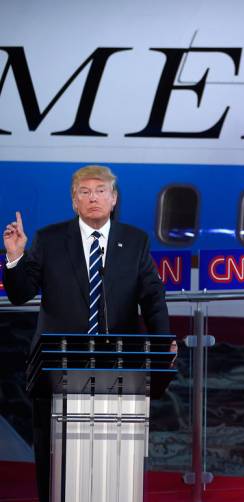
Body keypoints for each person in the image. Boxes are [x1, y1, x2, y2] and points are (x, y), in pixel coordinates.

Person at [2, 165, 171, 502]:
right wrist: (15, 256)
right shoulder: (49, 239)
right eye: (85, 192)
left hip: (119, 371)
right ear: (74, 201)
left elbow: (152, 297)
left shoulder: (134, 241)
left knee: (113, 468)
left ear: (113, 198)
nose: (93, 197)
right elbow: (20, 292)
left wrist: (162, 342)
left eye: (100, 190)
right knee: (55, 470)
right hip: (56, 373)